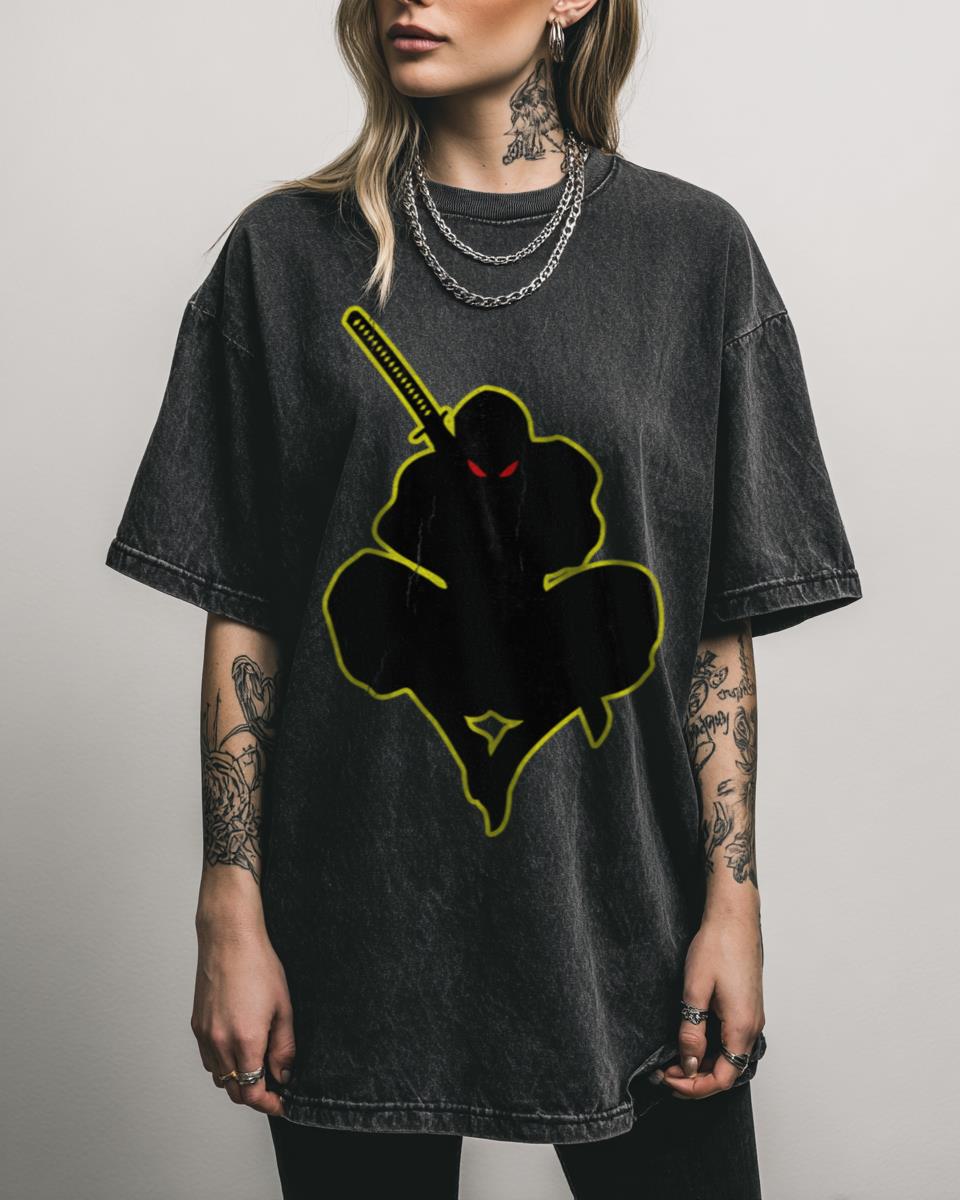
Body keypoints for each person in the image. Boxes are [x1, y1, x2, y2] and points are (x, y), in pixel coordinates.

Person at [104, 0, 864, 1196]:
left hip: (627, 915)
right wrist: (229, 905)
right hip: (355, 921)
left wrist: (734, 901)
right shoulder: (286, 255)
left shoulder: (692, 254)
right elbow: (247, 610)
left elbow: (710, 631)